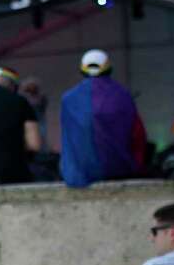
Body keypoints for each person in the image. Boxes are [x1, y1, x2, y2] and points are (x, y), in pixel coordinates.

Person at [60, 50, 146, 190]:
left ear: (82, 71)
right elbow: (138, 135)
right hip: (121, 171)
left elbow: (68, 139)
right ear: (109, 69)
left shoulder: (68, 99)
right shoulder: (123, 95)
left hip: (79, 176)